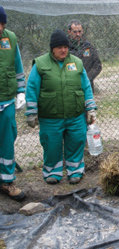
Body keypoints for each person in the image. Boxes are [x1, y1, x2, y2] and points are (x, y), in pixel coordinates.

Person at [25, 29, 97, 185]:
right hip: (50, 117)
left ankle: (75, 171)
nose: (63, 50)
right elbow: (31, 88)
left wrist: (91, 108)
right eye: (59, 47)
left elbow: (86, 87)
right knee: (52, 145)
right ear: (52, 48)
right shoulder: (40, 64)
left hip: (75, 115)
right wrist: (31, 112)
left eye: (65, 46)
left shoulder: (77, 63)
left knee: (76, 141)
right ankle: (53, 172)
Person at [0, 6, 26, 201]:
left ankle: (7, 181)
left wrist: (21, 91)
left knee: (7, 141)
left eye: (1, 24)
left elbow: (17, 66)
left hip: (6, 100)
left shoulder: (10, 38)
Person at [67, 19, 102, 92]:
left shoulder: (88, 47)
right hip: (70, 87)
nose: (78, 34)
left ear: (82, 31)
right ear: (69, 32)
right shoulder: (64, 48)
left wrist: (87, 78)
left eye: (80, 31)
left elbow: (97, 65)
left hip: (87, 87)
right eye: (75, 32)